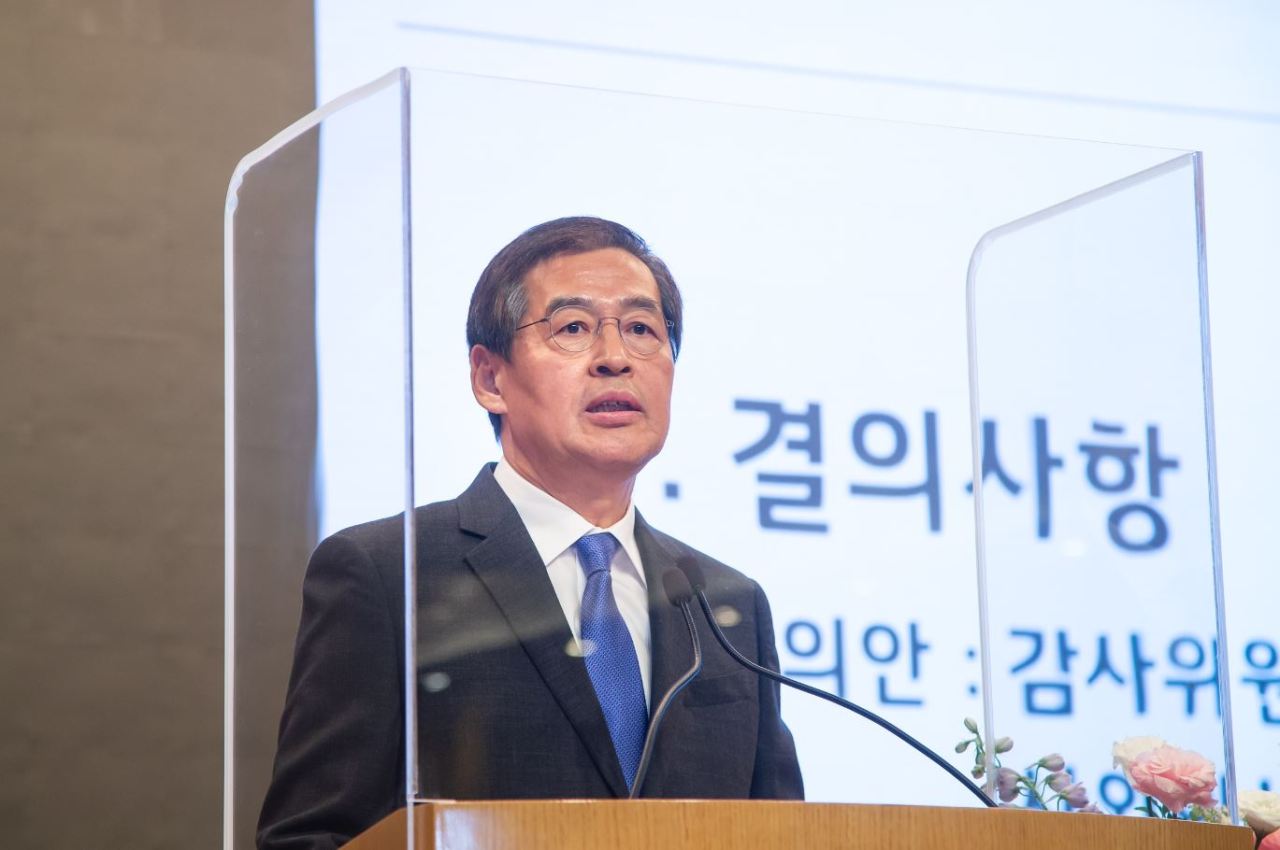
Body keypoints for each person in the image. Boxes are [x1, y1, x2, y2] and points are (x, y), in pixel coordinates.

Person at [257, 217, 803, 849]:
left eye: (642, 330)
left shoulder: (725, 605)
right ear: (491, 379)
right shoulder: (388, 572)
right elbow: (310, 837)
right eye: (573, 328)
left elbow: (781, 831)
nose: (615, 358)